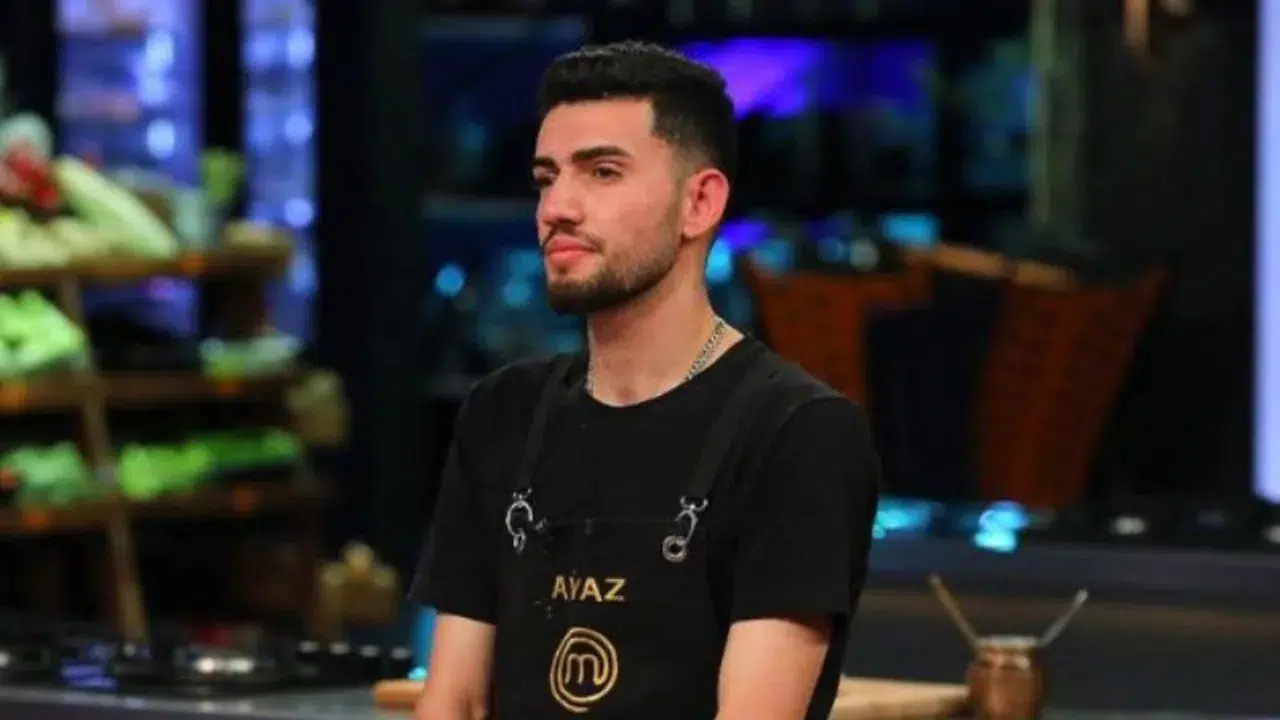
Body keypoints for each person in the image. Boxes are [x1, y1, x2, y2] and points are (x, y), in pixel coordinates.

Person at [411, 41, 880, 720]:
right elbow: (452, 700)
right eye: (546, 178)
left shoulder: (797, 432)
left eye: (602, 172)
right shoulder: (502, 414)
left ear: (700, 203)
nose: (558, 207)